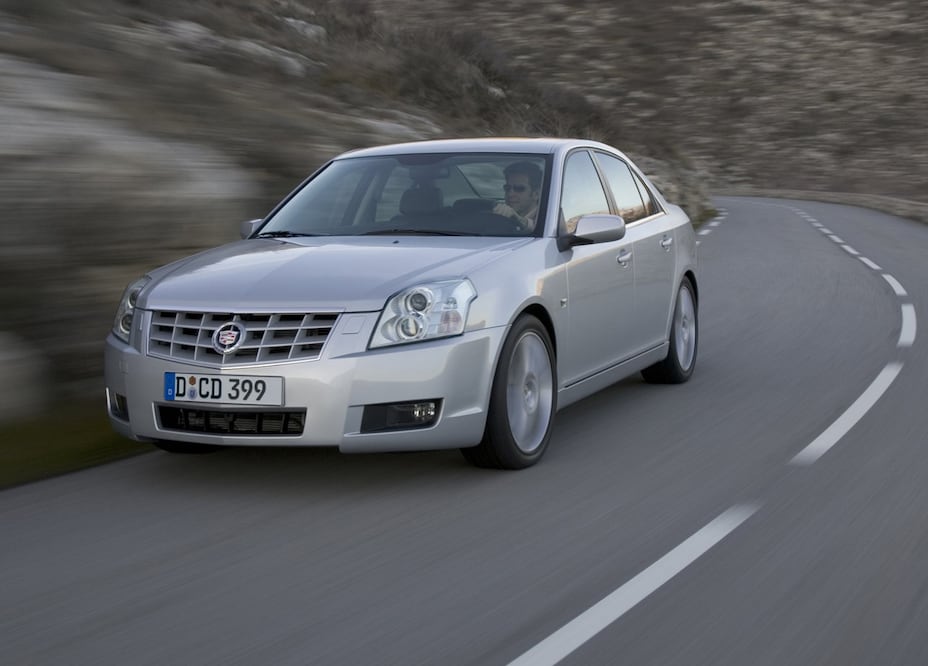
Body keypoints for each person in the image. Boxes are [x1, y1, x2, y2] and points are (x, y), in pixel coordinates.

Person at [493, 161, 543, 231]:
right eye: (507, 188)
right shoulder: (499, 213)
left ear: (536, 194)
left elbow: (559, 229)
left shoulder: (551, 216)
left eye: (519, 189)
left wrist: (519, 220)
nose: (510, 194)